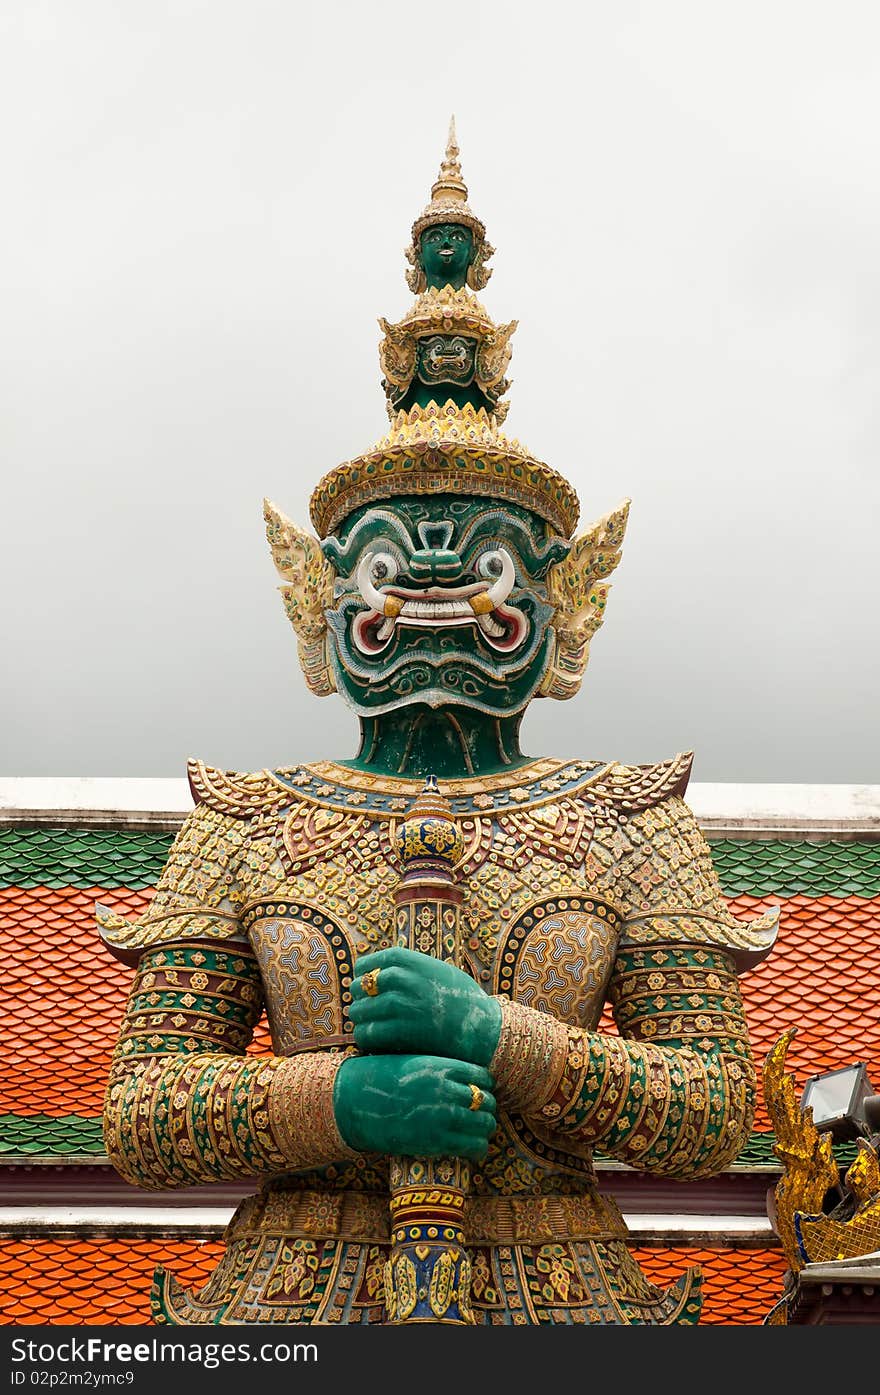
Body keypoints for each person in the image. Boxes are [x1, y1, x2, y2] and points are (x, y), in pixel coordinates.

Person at [99, 120, 777, 1325]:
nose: (434, 595)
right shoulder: (247, 825)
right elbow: (143, 1111)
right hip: (298, 1294)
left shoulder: (626, 822)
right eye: (391, 567)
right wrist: (337, 1104)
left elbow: (714, 1113)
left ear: (564, 602)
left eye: (482, 561)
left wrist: (499, 1034)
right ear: (319, 597)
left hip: (559, 1285)